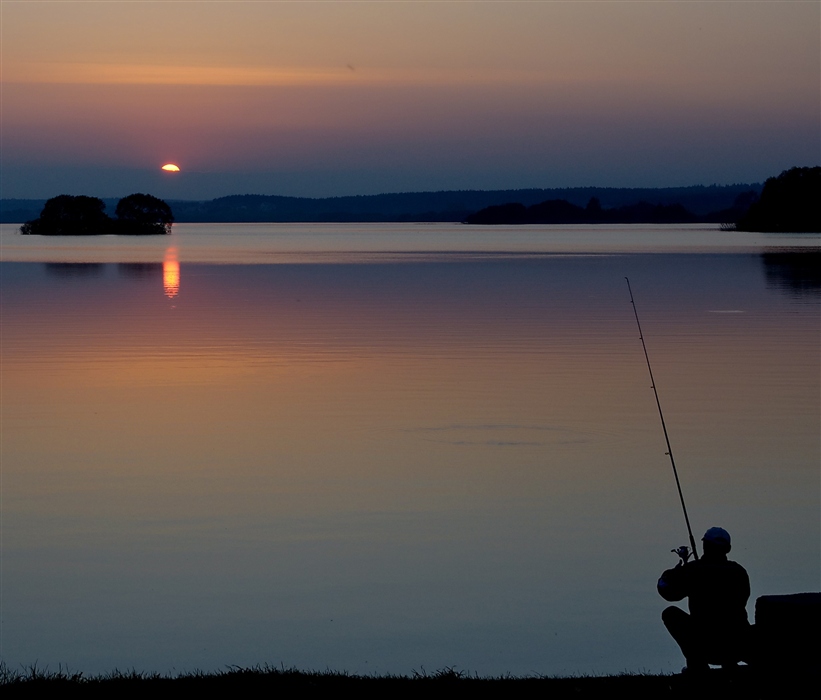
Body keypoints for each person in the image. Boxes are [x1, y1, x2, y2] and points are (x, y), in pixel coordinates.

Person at [658, 526, 751, 672]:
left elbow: (669, 593)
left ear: (704, 546)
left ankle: (697, 665)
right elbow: (742, 599)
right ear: (728, 549)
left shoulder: (693, 570)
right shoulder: (739, 572)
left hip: (704, 646)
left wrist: (671, 573)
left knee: (670, 614)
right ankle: (730, 664)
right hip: (737, 646)